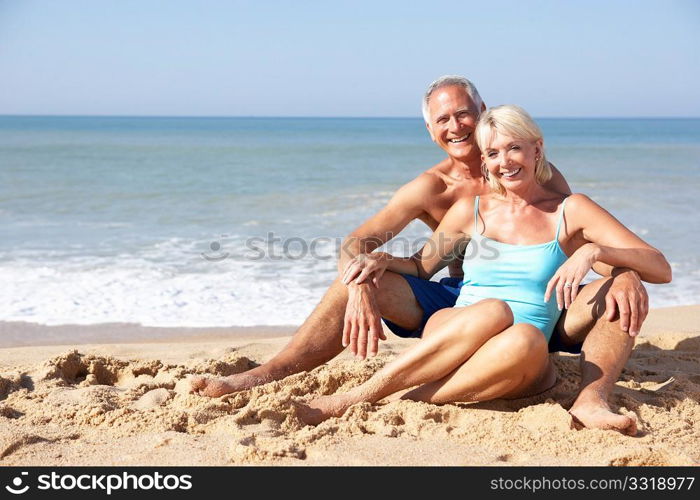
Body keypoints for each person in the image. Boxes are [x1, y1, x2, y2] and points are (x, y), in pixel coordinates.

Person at [191, 76, 649, 434]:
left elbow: (560, 237)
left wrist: (622, 267)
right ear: (429, 130)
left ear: (483, 114)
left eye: (464, 114)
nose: (455, 127)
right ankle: (269, 373)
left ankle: (593, 395)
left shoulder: (535, 174)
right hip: (457, 299)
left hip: (541, 300)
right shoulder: (434, 188)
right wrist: (358, 287)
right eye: (442, 120)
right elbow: (360, 243)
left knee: (624, 289)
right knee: (359, 279)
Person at [296, 104, 671, 427]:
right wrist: (382, 259)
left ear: (537, 149)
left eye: (514, 149)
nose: (504, 161)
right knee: (492, 309)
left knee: (604, 297)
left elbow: (659, 266)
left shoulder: (570, 210)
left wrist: (597, 254)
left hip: (519, 355)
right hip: (459, 331)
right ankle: (364, 396)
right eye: (493, 153)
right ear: (485, 161)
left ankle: (591, 399)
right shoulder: (469, 211)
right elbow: (421, 267)